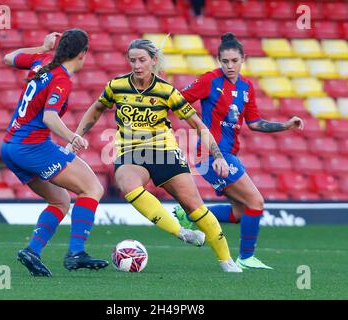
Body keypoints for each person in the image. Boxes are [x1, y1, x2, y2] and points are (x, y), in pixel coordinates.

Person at [73, 39, 242, 273]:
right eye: (132, 60)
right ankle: (181, 232)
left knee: (194, 206)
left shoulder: (167, 91)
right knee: (128, 184)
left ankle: (226, 260)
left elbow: (197, 123)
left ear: (154, 60)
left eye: (142, 60)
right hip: (130, 151)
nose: (137, 65)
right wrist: (77, 135)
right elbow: (97, 108)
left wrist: (218, 155)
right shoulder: (117, 86)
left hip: (163, 151)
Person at [174, 33, 305, 270]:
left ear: (243, 59)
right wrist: (194, 124)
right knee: (256, 201)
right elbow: (177, 100)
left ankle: (190, 214)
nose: (229, 66)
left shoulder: (246, 87)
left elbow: (254, 123)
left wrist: (285, 126)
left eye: (234, 61)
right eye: (225, 61)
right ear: (218, 60)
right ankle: (246, 257)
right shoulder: (209, 80)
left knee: (240, 212)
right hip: (211, 155)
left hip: (229, 154)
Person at [1, 30, 109, 277]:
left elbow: (9, 58)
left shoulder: (41, 60)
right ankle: (76, 252)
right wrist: (73, 137)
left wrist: (41, 46)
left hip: (10, 146)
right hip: (31, 146)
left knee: (60, 200)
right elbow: (50, 117)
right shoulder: (61, 78)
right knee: (92, 188)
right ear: (82, 54)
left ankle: (33, 250)